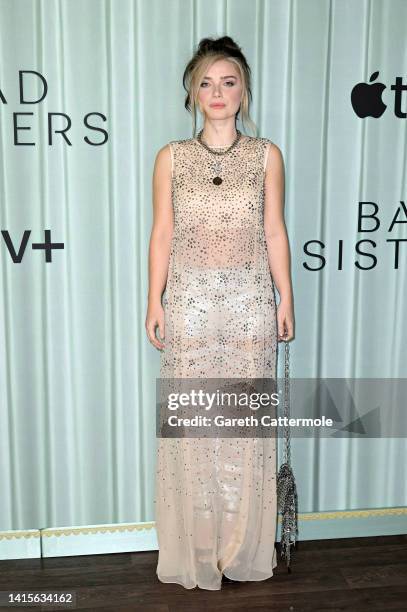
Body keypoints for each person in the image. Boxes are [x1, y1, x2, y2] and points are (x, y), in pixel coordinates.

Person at [145, 35, 294, 591]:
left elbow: (274, 231)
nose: (217, 92)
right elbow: (162, 233)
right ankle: (197, 547)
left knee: (240, 427)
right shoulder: (171, 157)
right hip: (188, 302)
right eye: (206, 82)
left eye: (228, 82)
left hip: (250, 304)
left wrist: (286, 298)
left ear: (244, 90)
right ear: (191, 91)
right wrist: (153, 299)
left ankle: (240, 547)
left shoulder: (266, 154)